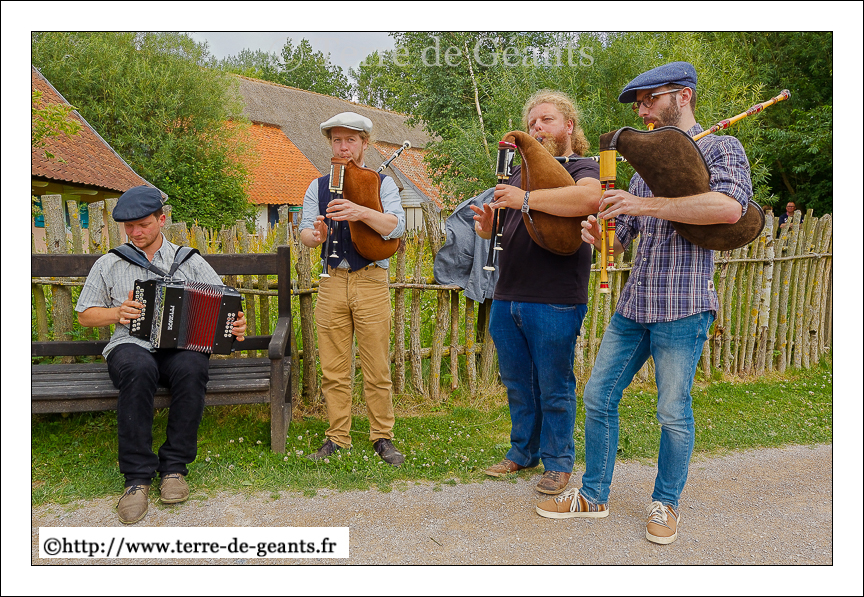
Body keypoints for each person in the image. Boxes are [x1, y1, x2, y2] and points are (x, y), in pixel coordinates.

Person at [535, 62, 753, 545]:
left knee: (672, 411)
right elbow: (621, 242)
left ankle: (666, 502)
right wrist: (603, 239)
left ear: (684, 95)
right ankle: (593, 495)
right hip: (634, 307)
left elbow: (728, 208)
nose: (642, 110)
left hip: (685, 305)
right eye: (638, 103)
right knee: (598, 397)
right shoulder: (639, 172)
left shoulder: (721, 148)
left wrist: (646, 204)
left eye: (649, 99)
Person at [76, 185, 247, 524]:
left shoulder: (188, 260)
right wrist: (117, 313)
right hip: (129, 345)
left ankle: (174, 469)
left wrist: (235, 324)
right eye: (129, 226)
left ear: (162, 219)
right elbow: (85, 314)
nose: (135, 232)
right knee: (138, 369)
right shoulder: (110, 262)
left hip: (179, 348)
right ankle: (137, 479)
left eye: (143, 224)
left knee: (193, 366)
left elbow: (226, 303)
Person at [472, 90, 601, 495]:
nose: (537, 128)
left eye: (546, 120)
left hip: (556, 295)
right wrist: (487, 227)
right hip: (508, 291)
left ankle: (558, 463)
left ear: (569, 126)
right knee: (517, 382)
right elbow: (508, 227)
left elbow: (589, 197)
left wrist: (524, 198)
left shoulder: (583, 166)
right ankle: (523, 452)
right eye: (531, 123)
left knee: (554, 384)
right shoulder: (518, 173)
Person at [299, 112, 406, 466]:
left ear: (364, 144)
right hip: (332, 281)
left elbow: (395, 226)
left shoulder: (381, 183)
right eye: (337, 140)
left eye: (350, 140)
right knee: (333, 368)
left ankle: (382, 436)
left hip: (371, 280)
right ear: (330, 144)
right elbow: (305, 232)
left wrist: (359, 211)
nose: (343, 147)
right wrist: (316, 236)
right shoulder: (317, 187)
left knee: (376, 366)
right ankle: (338, 437)